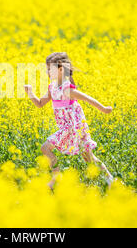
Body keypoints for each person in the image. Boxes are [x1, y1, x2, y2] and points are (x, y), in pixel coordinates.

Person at [24, 52, 114, 190]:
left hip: (72, 128)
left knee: (46, 148)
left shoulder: (66, 89)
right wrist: (30, 93)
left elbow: (87, 99)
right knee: (89, 157)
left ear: (61, 69)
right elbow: (40, 103)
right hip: (66, 128)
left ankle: (56, 178)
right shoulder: (52, 88)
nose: (47, 72)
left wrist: (104, 109)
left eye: (50, 68)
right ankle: (111, 181)